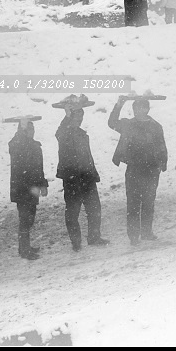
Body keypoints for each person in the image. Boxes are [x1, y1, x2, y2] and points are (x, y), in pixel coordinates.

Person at [109, 96, 168, 245]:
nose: (138, 111)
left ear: (147, 109)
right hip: (134, 169)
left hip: (151, 169)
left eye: (141, 108)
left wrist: (163, 162)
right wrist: (118, 105)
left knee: (148, 202)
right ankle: (134, 236)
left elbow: (161, 145)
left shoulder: (155, 126)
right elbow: (112, 123)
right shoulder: (128, 125)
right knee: (133, 203)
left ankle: (147, 232)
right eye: (135, 109)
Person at [55, 99, 108, 251]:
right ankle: (76, 242)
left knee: (94, 209)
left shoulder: (82, 135)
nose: (80, 120)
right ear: (72, 118)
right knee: (73, 211)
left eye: (81, 117)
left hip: (87, 177)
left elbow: (87, 156)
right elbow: (59, 132)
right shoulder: (64, 133)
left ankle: (94, 237)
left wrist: (93, 173)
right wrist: (67, 115)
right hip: (72, 178)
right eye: (77, 117)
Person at [8, 120, 48, 260]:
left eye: (33, 129)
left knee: (29, 219)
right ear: (23, 131)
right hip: (22, 189)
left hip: (33, 189)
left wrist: (43, 184)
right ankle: (24, 250)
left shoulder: (35, 146)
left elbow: (39, 168)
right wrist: (20, 131)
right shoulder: (17, 145)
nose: (32, 131)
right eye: (28, 129)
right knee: (25, 220)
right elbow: (12, 145)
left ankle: (24, 247)